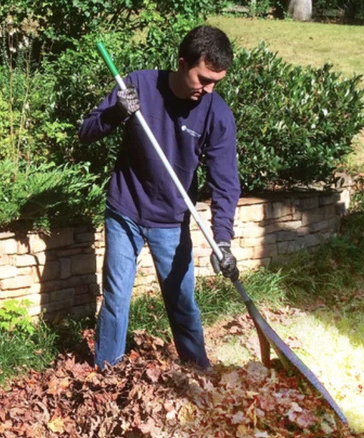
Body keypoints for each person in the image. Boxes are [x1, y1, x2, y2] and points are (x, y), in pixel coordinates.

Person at [78, 25, 241, 372]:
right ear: (182, 63)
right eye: (203, 79)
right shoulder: (137, 85)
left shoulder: (216, 113)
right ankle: (106, 374)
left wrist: (222, 240)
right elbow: (86, 132)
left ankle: (199, 371)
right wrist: (115, 113)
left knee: (181, 302)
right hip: (125, 209)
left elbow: (225, 182)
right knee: (116, 298)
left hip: (171, 219)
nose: (209, 89)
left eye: (216, 82)